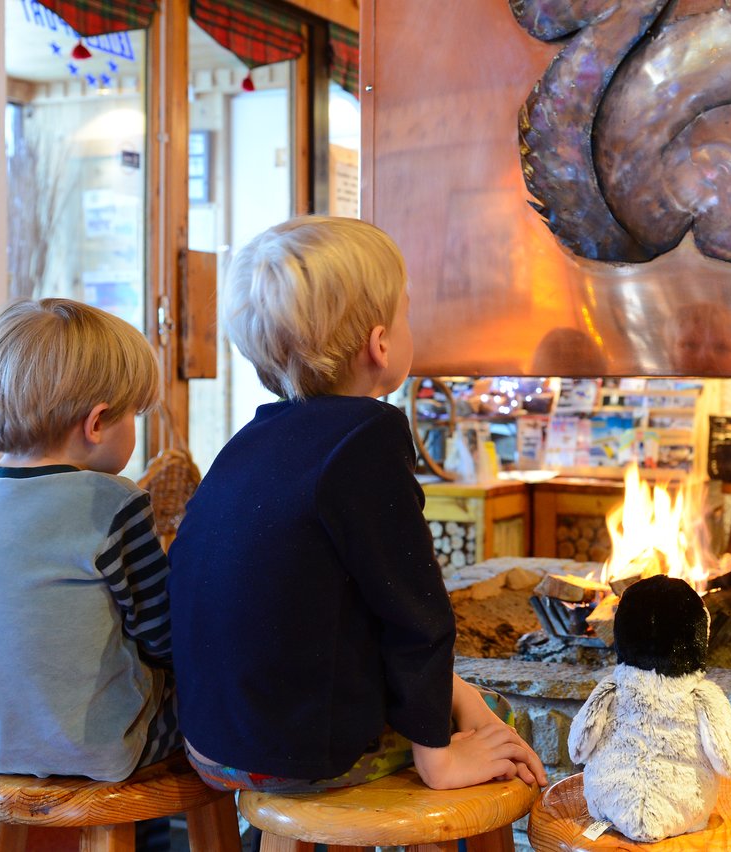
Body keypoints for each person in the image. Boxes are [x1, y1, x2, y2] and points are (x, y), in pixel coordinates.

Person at [168, 216, 548, 792]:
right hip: (295, 753)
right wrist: (438, 757)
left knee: (460, 695)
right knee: (502, 717)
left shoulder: (246, 442)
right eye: (406, 311)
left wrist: (454, 693)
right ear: (381, 342)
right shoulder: (368, 438)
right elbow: (414, 610)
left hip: (207, 742)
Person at [0, 298, 180, 784]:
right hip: (112, 749)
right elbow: (166, 639)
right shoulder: (113, 503)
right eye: (134, 415)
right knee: (225, 702)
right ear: (97, 424)